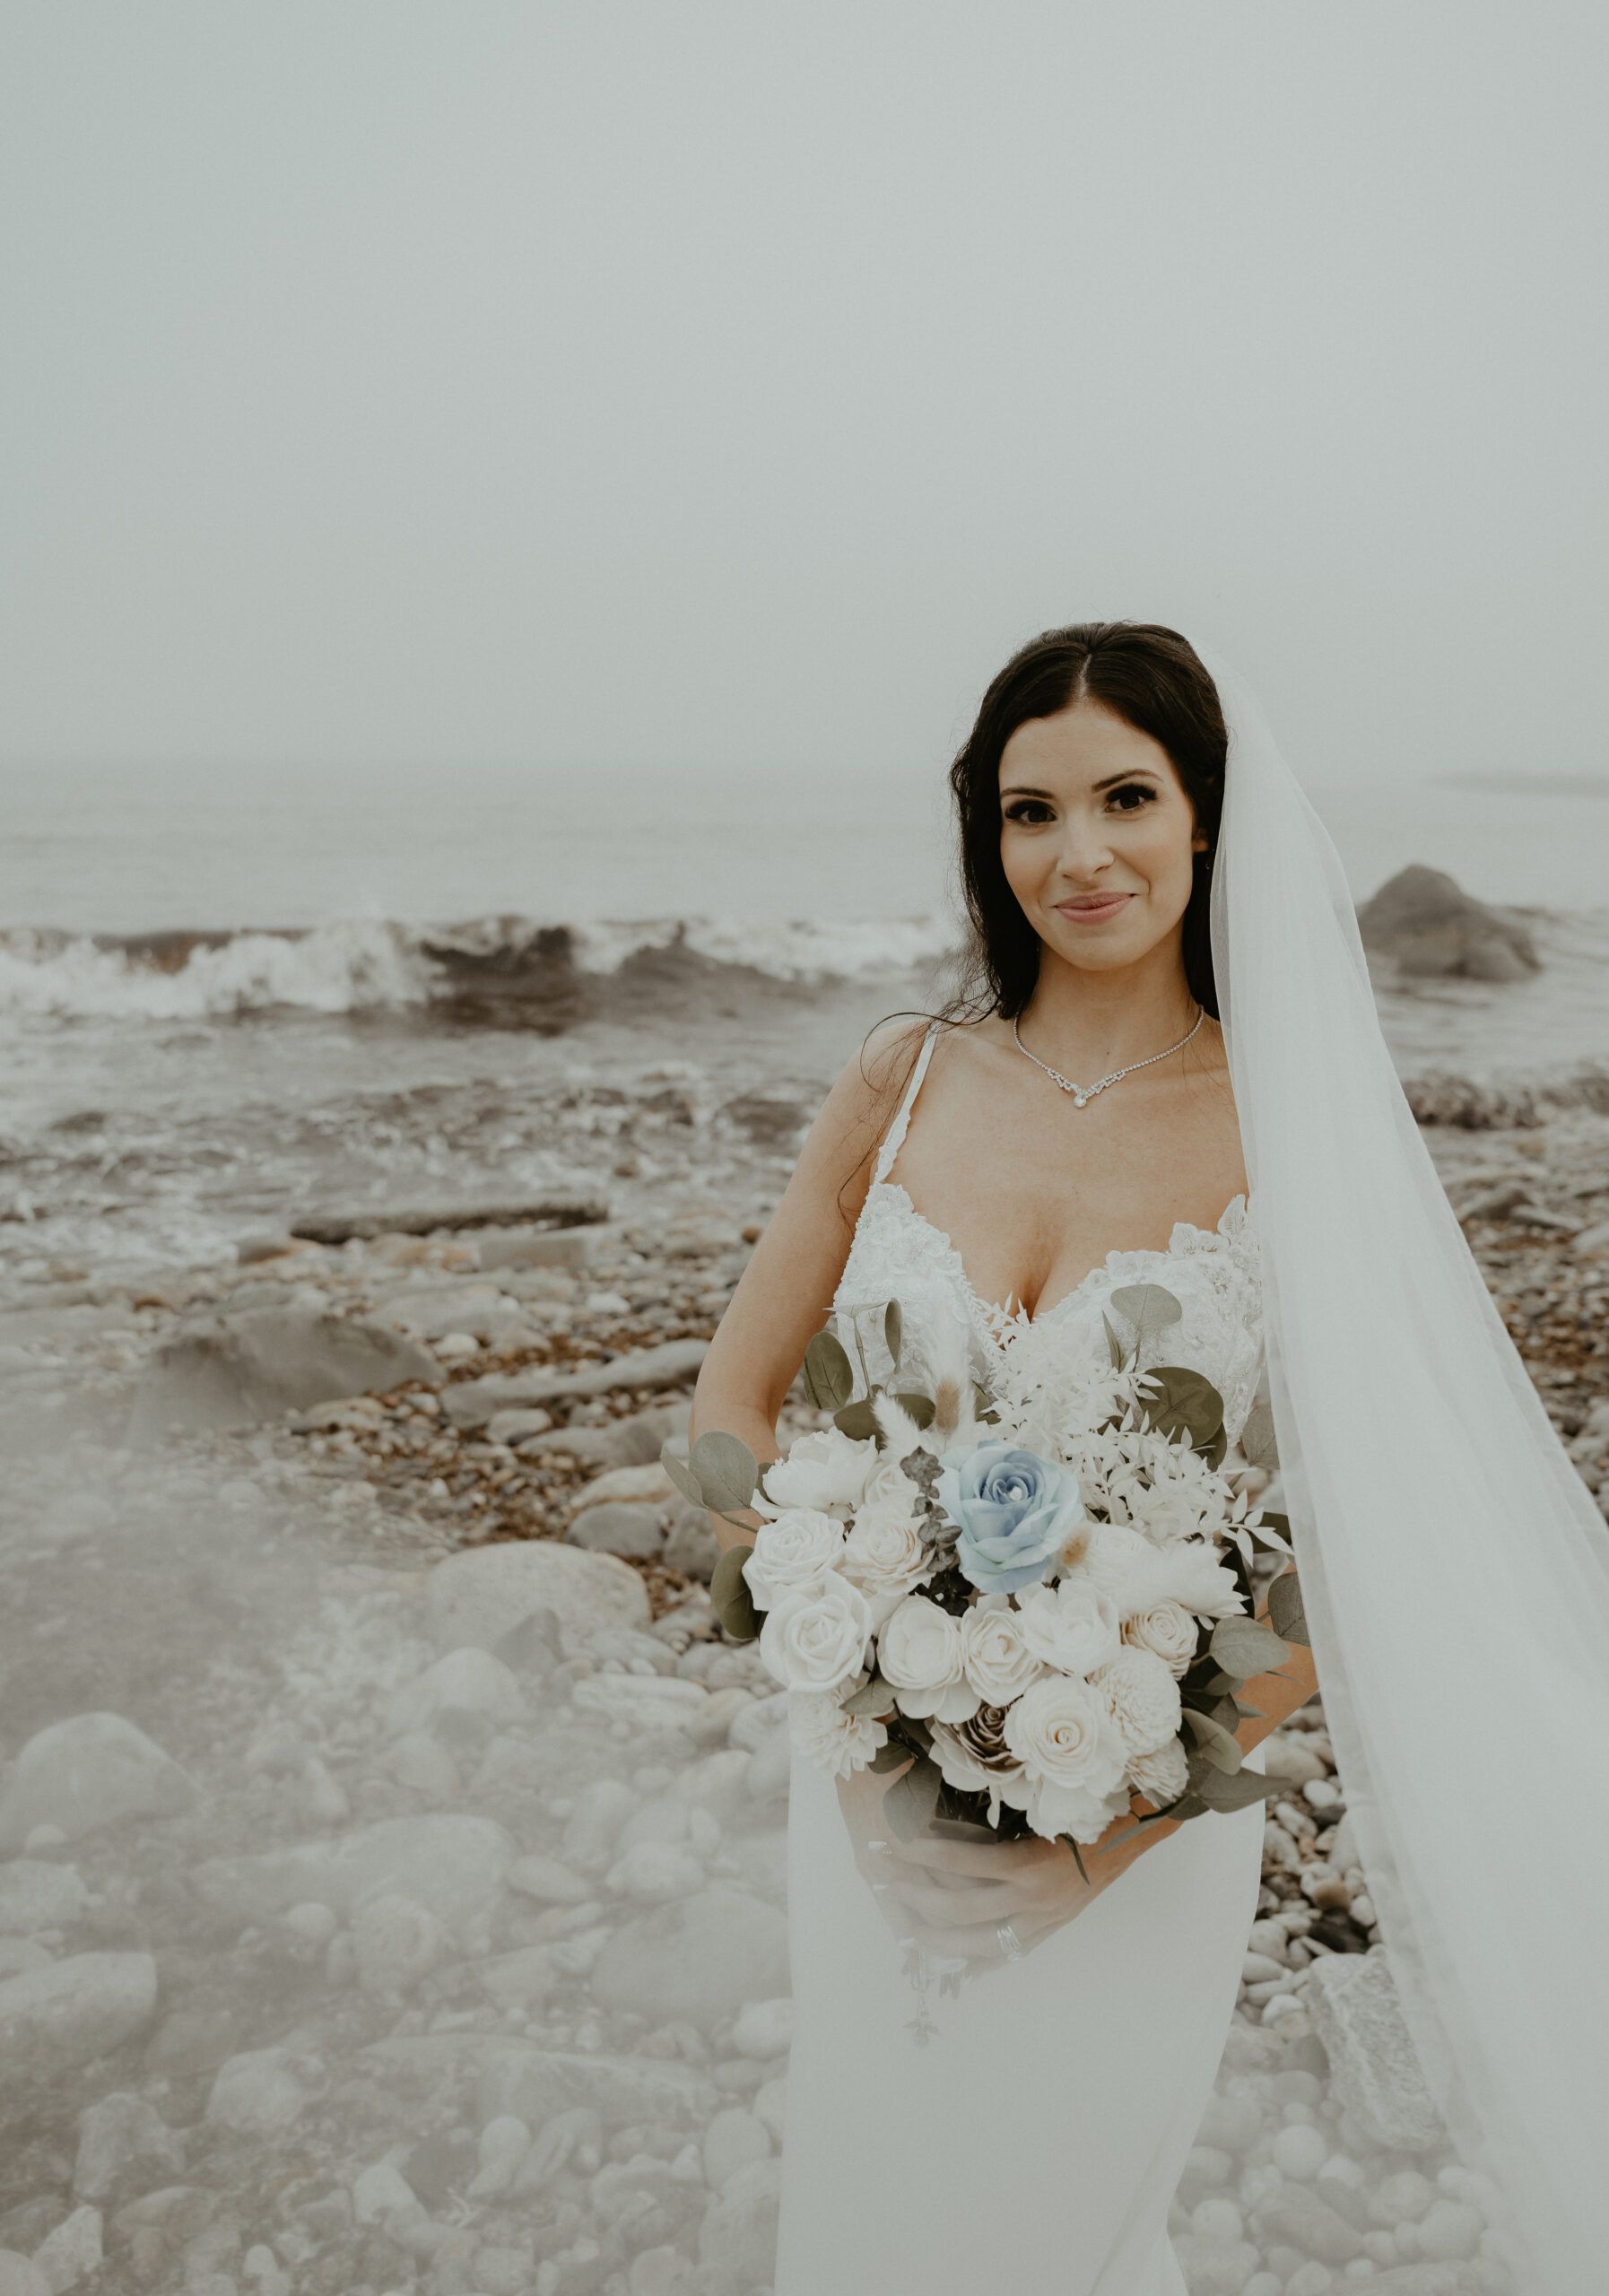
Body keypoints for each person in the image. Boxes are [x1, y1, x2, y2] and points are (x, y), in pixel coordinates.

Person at [689, 623, 1609, 2293]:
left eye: (1126, 796)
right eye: (1031, 812)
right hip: (860, 1811)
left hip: (1132, 1826)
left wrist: (1083, 1855)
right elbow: (728, 1415)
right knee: (875, 2222)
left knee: (1062, 2230)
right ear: (989, 834)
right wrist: (838, 1705)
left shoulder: (1290, 1121)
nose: (1079, 852)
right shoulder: (902, 1080)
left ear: (1206, 820)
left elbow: (1357, 1545)